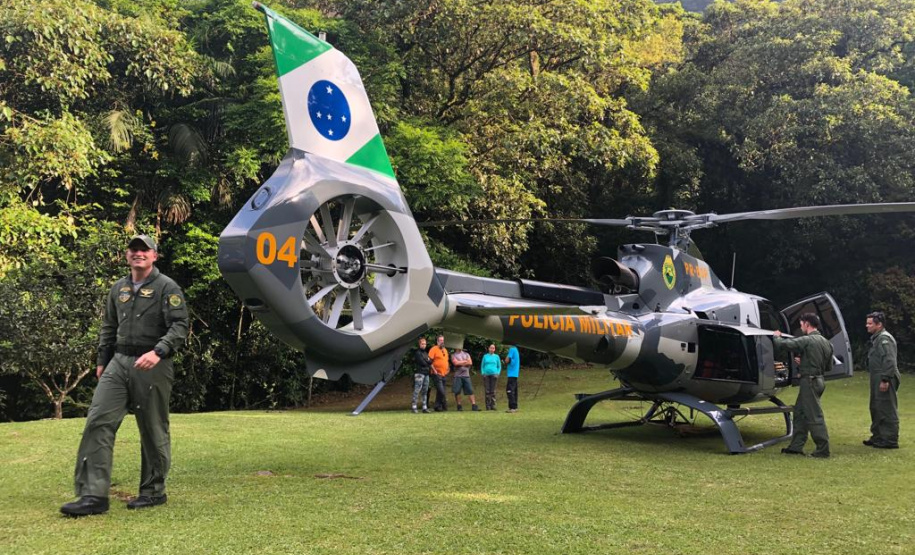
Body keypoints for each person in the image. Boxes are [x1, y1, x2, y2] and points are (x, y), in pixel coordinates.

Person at [61, 235, 189, 516]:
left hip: (153, 362)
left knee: (152, 427)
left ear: (154, 255)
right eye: (134, 249)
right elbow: (109, 325)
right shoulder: (118, 288)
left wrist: (159, 351)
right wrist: (102, 360)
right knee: (98, 420)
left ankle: (153, 491)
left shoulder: (167, 287)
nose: (138, 253)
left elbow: (180, 325)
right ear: (127, 255)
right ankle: (93, 496)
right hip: (119, 361)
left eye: (144, 249)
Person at [773, 313, 832, 458]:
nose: (801, 328)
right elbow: (828, 366)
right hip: (818, 380)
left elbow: (784, 345)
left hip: (809, 382)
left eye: (801, 325)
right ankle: (795, 447)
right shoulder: (826, 343)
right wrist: (806, 362)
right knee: (800, 413)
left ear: (807, 324)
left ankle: (823, 450)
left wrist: (776, 336)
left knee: (814, 416)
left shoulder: (808, 340)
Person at [864, 311, 900, 449]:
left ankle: (890, 440)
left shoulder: (885, 339)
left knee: (886, 407)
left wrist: (885, 379)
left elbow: (889, 360)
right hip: (877, 376)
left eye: (870, 323)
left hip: (885, 375)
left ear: (879, 325)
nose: (866, 326)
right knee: (876, 406)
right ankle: (878, 436)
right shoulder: (876, 338)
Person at [450, 346, 479, 411]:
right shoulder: (453, 355)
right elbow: (455, 363)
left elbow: (470, 362)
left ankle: (474, 405)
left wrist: (460, 362)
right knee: (457, 391)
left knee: (470, 390)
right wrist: (465, 361)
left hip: (466, 375)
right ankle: (459, 406)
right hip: (458, 376)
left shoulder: (466, 354)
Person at [428, 335, 450, 412]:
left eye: (443, 340)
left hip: (444, 374)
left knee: (440, 391)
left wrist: (448, 368)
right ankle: (444, 405)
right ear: (437, 341)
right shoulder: (433, 349)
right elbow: (429, 361)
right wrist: (434, 370)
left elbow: (446, 361)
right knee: (441, 390)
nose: (442, 342)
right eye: (440, 340)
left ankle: (437, 406)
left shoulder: (445, 350)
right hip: (436, 373)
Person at [411, 337, 432, 414]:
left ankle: (424, 407)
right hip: (419, 373)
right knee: (417, 390)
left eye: (425, 344)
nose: (424, 345)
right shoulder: (418, 353)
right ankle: (414, 407)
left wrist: (427, 361)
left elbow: (431, 361)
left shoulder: (425, 353)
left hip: (426, 373)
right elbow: (423, 363)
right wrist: (428, 361)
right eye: (422, 344)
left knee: (425, 391)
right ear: (419, 344)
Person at [480, 344, 502, 410]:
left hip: (494, 374)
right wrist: (483, 373)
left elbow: (499, 366)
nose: (492, 349)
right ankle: (488, 406)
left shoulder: (497, 357)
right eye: (491, 348)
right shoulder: (485, 356)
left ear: (494, 349)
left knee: (493, 391)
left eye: (493, 348)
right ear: (488, 348)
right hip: (486, 375)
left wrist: (497, 373)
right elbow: (482, 366)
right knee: (487, 391)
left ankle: (493, 405)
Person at [504, 345, 521, 413]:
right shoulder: (516, 349)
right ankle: (515, 407)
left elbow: (507, 360)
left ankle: (512, 407)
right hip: (515, 374)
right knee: (514, 391)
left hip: (511, 374)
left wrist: (505, 360)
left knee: (509, 390)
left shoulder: (512, 349)